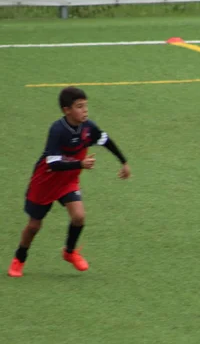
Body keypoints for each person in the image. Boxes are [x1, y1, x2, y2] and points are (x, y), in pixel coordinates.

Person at [7, 87, 130, 277]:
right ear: (67, 110)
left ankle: (69, 252)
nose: (85, 110)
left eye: (85, 106)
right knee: (33, 226)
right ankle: (19, 258)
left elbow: (105, 141)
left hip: (68, 181)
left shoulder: (89, 128)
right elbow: (54, 163)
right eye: (79, 107)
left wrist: (123, 162)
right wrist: (80, 163)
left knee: (79, 216)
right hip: (45, 182)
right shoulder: (57, 130)